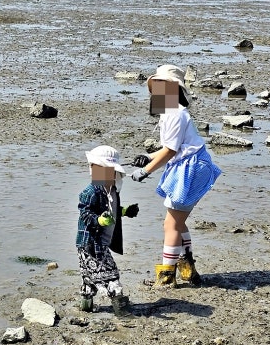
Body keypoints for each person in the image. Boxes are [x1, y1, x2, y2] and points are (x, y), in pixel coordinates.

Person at [130, 64, 222, 289]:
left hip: (190, 169)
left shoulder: (174, 114)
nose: (156, 92)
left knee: (170, 224)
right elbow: (173, 148)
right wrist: (147, 156)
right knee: (177, 222)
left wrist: (146, 171)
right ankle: (188, 271)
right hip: (193, 165)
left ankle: (166, 277)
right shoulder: (173, 112)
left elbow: (171, 151)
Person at [76, 145, 139, 316]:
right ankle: (122, 311)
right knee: (112, 275)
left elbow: (113, 211)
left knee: (89, 278)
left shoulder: (112, 192)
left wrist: (125, 211)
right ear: (94, 170)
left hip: (102, 242)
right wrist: (98, 220)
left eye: (111, 172)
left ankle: (86, 306)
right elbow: (85, 213)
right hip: (90, 243)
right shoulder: (90, 192)